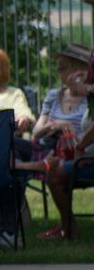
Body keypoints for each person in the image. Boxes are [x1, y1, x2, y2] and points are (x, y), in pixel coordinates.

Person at [36, 43, 91, 241]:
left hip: (80, 156)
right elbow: (36, 132)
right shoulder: (54, 95)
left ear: (82, 70)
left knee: (55, 171)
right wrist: (56, 125)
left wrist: (79, 145)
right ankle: (67, 226)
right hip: (55, 147)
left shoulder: (89, 98)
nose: (58, 71)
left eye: (63, 66)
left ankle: (68, 228)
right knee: (18, 148)